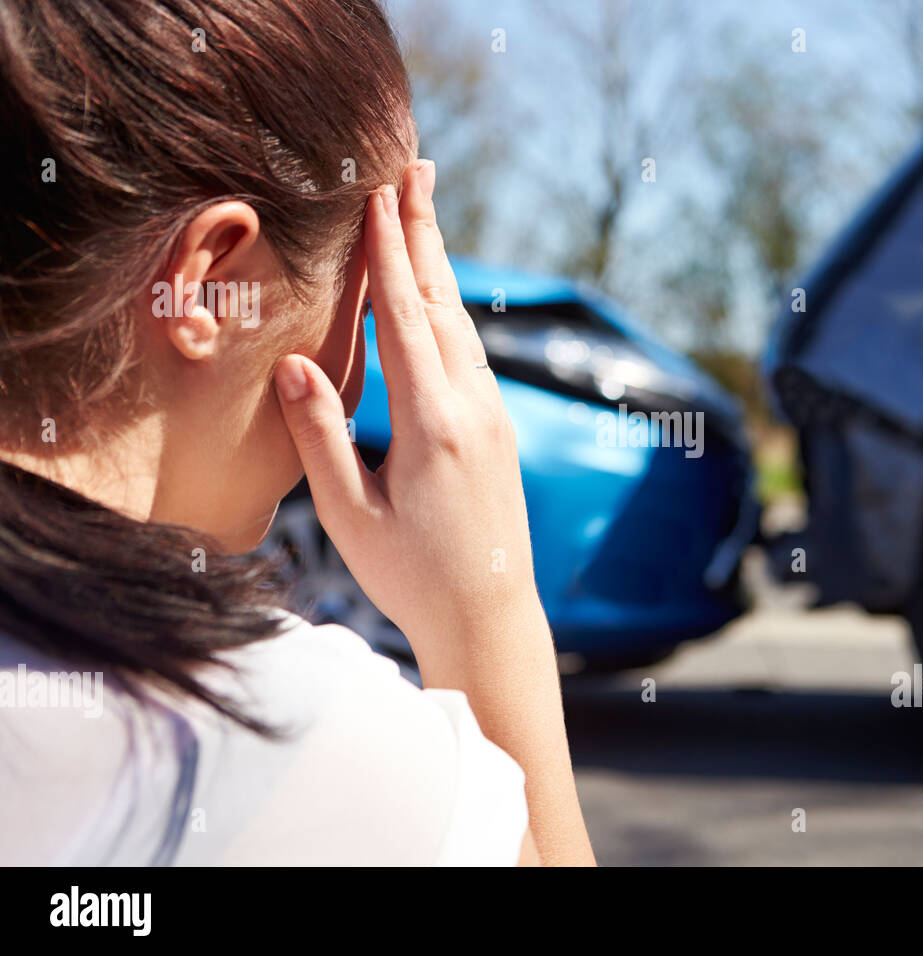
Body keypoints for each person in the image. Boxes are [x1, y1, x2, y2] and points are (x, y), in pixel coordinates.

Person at [0, 0, 594, 866]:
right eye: (368, 296)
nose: (365, 376)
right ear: (211, 288)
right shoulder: (278, 739)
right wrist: (486, 612)